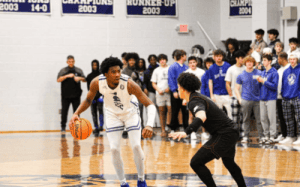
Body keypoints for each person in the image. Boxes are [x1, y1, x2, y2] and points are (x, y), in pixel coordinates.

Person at [69, 57, 156, 187]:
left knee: (136, 146)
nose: (117, 74)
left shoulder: (129, 83)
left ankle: (141, 179)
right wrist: (76, 113)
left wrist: (149, 124)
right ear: (105, 74)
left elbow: (150, 104)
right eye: (113, 72)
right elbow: (88, 100)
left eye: (118, 71)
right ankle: (123, 183)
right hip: (112, 114)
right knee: (114, 149)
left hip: (130, 113)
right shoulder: (96, 82)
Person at [169, 72, 246, 187]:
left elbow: (201, 116)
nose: (177, 88)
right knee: (228, 162)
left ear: (183, 88)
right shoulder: (196, 97)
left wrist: (186, 132)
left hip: (224, 134)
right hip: (231, 131)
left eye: (178, 86)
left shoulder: (195, 100)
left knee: (196, 163)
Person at [235, 56, 263, 143]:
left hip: (257, 100)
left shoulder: (259, 73)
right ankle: (246, 136)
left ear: (254, 63)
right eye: (247, 62)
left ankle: (261, 137)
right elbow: (236, 88)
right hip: (246, 99)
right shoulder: (241, 75)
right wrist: (240, 99)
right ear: (245, 63)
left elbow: (264, 85)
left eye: (251, 62)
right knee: (246, 119)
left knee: (259, 119)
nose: (249, 63)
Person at [57, 55, 86, 132]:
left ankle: (76, 127)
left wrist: (79, 78)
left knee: (76, 112)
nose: (71, 63)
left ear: (74, 61)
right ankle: (63, 127)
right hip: (65, 96)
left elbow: (85, 79)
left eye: (72, 61)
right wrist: (67, 76)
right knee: (64, 112)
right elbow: (58, 79)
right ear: (67, 62)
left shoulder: (78, 70)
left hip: (76, 96)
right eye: (69, 61)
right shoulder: (63, 71)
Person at [257, 54, 279, 144]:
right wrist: (259, 81)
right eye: (263, 60)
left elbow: (274, 86)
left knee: (271, 118)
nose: (263, 62)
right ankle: (266, 135)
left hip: (271, 98)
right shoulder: (262, 73)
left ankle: (273, 136)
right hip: (262, 98)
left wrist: (264, 81)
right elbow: (260, 86)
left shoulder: (274, 72)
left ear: (270, 61)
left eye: (265, 60)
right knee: (263, 118)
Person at [279, 53, 300, 145]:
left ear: (297, 60)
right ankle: (291, 136)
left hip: (297, 97)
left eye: (294, 59)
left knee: (299, 119)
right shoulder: (286, 71)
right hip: (286, 97)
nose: (292, 61)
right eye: (290, 59)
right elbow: (284, 84)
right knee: (288, 118)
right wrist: (283, 94)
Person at [225, 50, 246, 138]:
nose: (242, 60)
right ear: (236, 59)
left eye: (243, 58)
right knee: (234, 117)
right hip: (234, 97)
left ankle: (243, 134)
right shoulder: (231, 69)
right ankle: (233, 134)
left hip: (244, 97)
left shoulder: (246, 68)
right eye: (241, 58)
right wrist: (231, 95)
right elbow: (227, 83)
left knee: (243, 117)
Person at [185, 56, 205, 139]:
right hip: (190, 97)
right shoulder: (186, 73)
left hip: (200, 96)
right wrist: (184, 98)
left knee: (203, 115)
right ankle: (192, 132)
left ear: (197, 63)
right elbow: (184, 87)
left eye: (194, 62)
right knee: (191, 115)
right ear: (188, 64)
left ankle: (204, 132)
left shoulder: (202, 72)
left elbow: (204, 85)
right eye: (190, 63)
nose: (192, 64)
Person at [168, 50, 189, 132]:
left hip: (185, 91)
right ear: (181, 56)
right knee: (175, 110)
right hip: (176, 91)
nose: (186, 57)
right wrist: (174, 91)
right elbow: (171, 80)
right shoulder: (173, 67)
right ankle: (173, 128)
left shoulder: (186, 67)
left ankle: (186, 129)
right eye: (185, 55)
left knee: (185, 111)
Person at [151, 54, 171, 137]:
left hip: (169, 93)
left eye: (164, 59)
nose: (162, 61)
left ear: (166, 60)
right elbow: (153, 83)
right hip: (160, 93)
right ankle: (163, 130)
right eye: (160, 60)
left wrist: (169, 88)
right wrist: (158, 90)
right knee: (161, 112)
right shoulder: (156, 70)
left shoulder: (170, 68)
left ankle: (169, 128)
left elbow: (174, 80)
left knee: (170, 110)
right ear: (158, 61)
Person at [209, 49, 232, 119]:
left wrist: (231, 93)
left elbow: (231, 80)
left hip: (227, 94)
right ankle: (220, 129)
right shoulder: (211, 67)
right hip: (217, 94)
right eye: (217, 56)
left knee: (230, 114)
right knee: (218, 115)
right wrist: (211, 95)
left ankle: (231, 129)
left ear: (223, 57)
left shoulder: (228, 66)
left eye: (220, 56)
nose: (218, 58)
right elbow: (210, 82)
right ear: (214, 57)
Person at [274, 52, 290, 142]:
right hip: (278, 96)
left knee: (288, 116)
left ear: (283, 58)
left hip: (286, 96)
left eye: (278, 59)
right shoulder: (279, 69)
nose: (277, 61)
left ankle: (290, 135)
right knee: (281, 116)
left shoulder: (289, 68)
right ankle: (283, 134)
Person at [86, 59, 104, 135]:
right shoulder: (89, 76)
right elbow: (88, 88)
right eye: (93, 65)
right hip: (92, 97)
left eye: (96, 65)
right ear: (92, 66)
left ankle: (101, 126)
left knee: (100, 111)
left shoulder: (102, 75)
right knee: (93, 113)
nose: (95, 66)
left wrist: (102, 96)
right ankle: (96, 127)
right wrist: (91, 97)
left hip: (100, 97)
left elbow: (104, 87)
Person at [131, 58, 147, 129]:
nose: (140, 64)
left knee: (148, 110)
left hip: (147, 93)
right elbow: (132, 84)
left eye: (142, 62)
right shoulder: (134, 73)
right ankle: (140, 125)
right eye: (139, 62)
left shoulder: (147, 72)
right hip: (138, 93)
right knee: (139, 110)